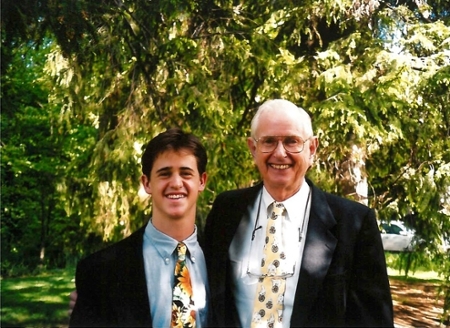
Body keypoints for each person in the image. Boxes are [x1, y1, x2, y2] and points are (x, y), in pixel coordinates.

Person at [203, 99, 394, 327]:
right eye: (269, 142)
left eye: (292, 141)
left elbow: (373, 320)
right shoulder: (226, 211)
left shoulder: (354, 223)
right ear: (253, 148)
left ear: (312, 148)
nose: (280, 153)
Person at [69, 128, 209, 327]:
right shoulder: (100, 271)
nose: (176, 183)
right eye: (165, 173)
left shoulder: (221, 261)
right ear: (147, 183)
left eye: (186, 173)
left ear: (201, 181)